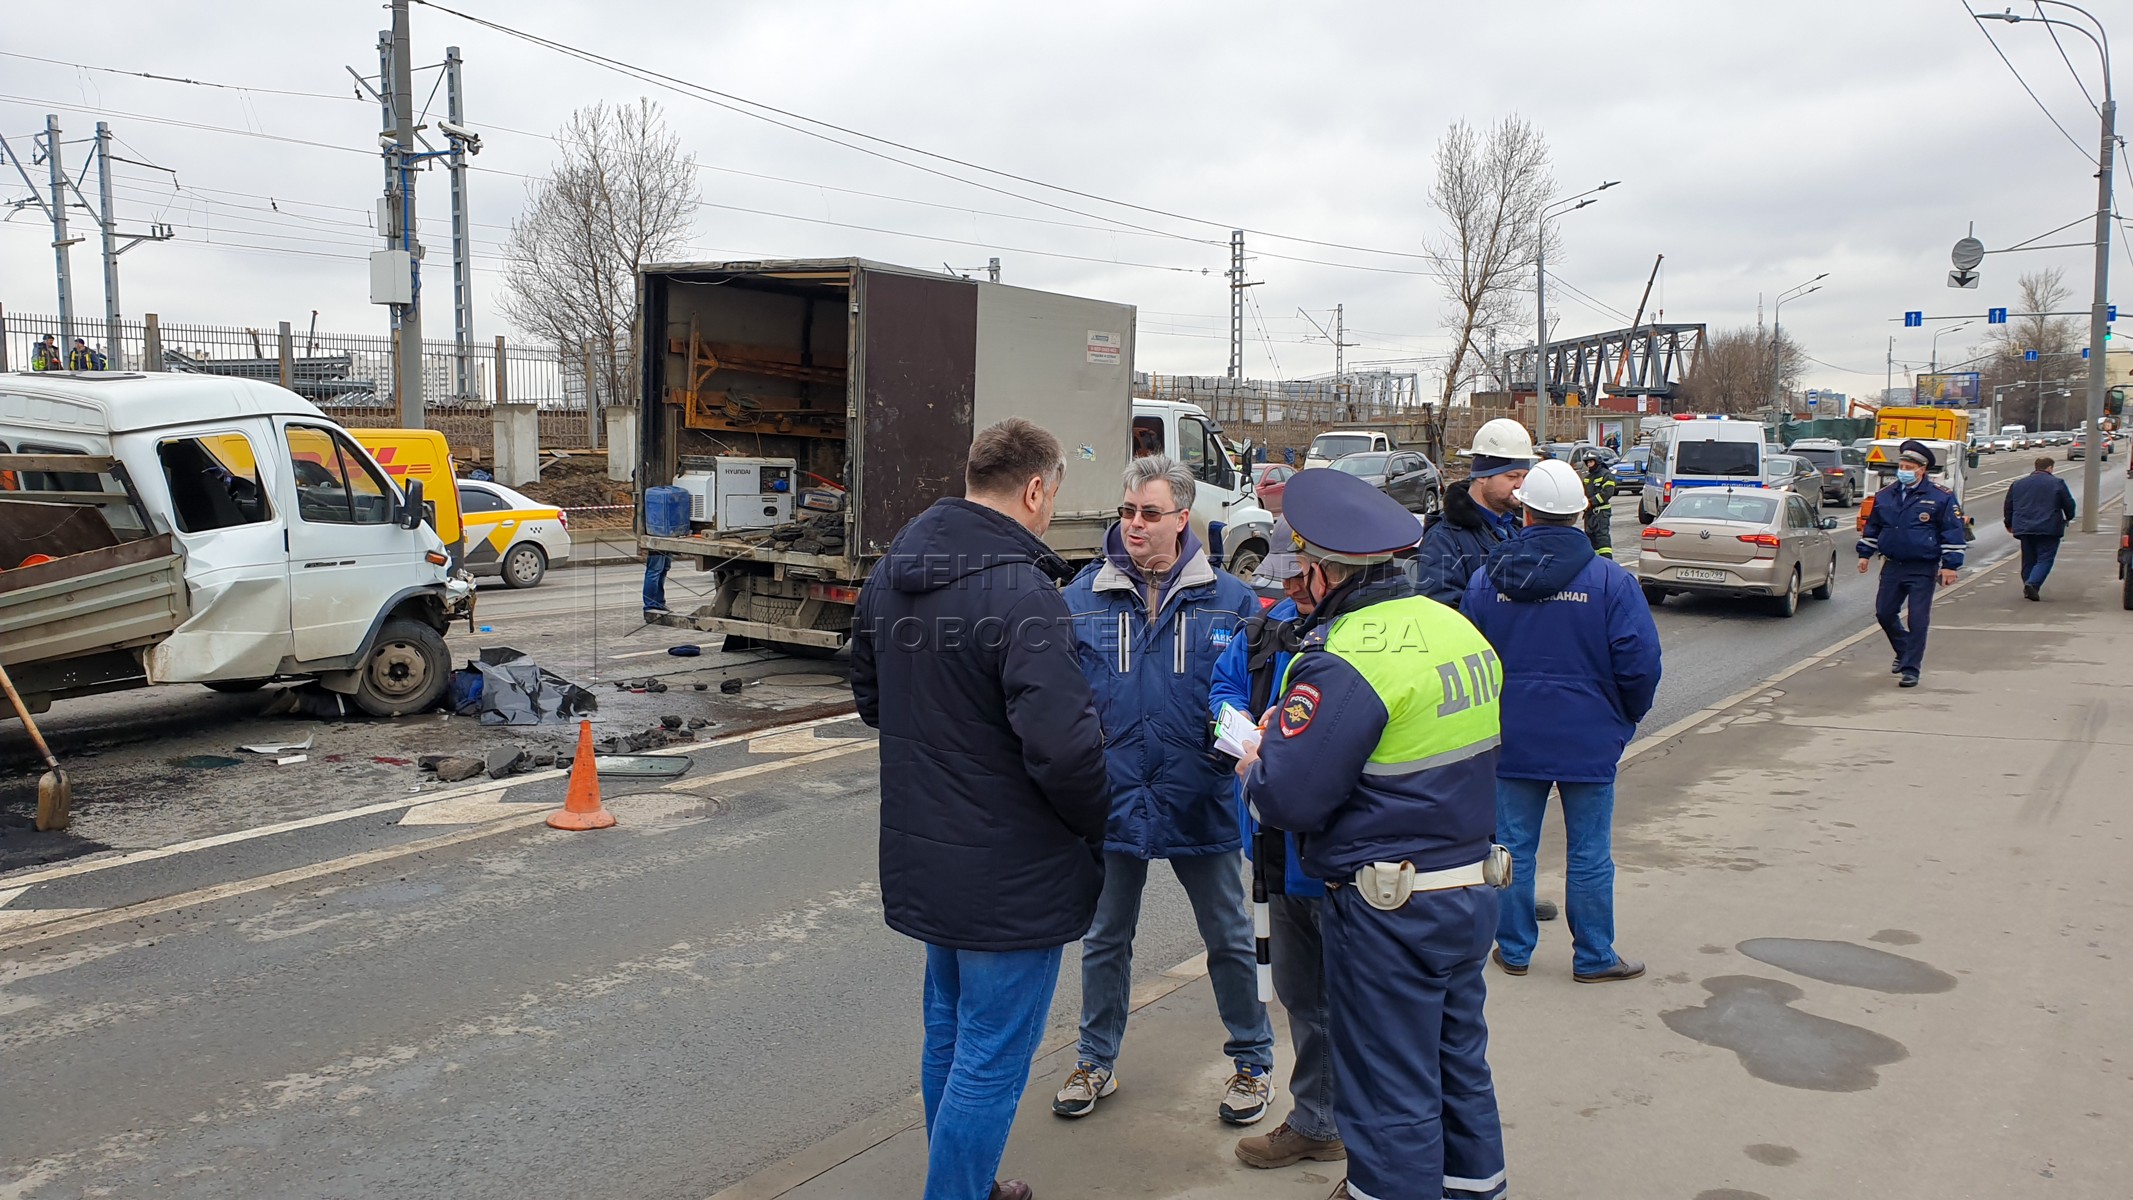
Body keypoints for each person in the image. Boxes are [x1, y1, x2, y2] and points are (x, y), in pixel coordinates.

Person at [849, 418, 1112, 1200]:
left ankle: (967, 1181)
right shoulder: (1024, 591)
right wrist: (1095, 821)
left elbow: (870, 697)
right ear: (1035, 490)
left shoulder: (894, 569)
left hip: (928, 851)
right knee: (991, 1055)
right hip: (1012, 869)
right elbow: (1064, 751)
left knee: (950, 1033)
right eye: (1053, 493)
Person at [1238, 466, 1509, 1200]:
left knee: (1386, 1089)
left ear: (1325, 573)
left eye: (1301, 568)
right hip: (1471, 889)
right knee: (1459, 1069)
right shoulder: (1452, 628)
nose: (1294, 582)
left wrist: (1262, 759)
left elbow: (1288, 799)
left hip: (1388, 909)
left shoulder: (1346, 658)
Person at [1054, 453, 1275, 1126]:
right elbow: (1062, 700)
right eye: (1127, 512)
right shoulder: (1080, 597)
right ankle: (1095, 1060)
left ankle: (1252, 1065)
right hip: (1113, 796)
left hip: (1197, 794)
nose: (1136, 526)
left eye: (1150, 513)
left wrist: (1234, 757)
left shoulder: (1231, 603)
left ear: (1184, 518)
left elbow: (1242, 698)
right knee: (1103, 938)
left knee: (1230, 937)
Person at [1463, 459, 1661, 984]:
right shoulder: (1610, 582)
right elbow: (1640, 664)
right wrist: (1622, 719)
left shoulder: (1488, 581)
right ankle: (1595, 955)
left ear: (1525, 513)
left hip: (1511, 740)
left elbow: (1467, 664)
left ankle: (1514, 948)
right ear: (1582, 513)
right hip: (1589, 738)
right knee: (1591, 852)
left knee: (1511, 848)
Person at [1208, 518, 1345, 1172]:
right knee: (1301, 998)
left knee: (1363, 1006)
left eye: (1300, 574)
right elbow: (1221, 696)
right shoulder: (1263, 632)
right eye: (1283, 577)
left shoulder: (1356, 636)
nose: (1292, 586)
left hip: (1344, 861)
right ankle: (1316, 1120)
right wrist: (1245, 741)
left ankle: (1374, 1143)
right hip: (1272, 851)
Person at [1858, 439, 1965, 688]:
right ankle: (1904, 649)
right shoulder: (1885, 496)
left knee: (1917, 619)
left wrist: (1950, 565)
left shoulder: (1940, 497)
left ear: (1922, 470)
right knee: (1884, 613)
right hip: (1893, 565)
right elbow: (1873, 527)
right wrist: (1865, 554)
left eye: (1909, 467)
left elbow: (1952, 531)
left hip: (1923, 567)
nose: (1904, 471)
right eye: (1902, 466)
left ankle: (1911, 668)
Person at [1414, 418, 1534, 609]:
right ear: (1482, 477)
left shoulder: (1517, 528)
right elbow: (1439, 611)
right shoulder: (1444, 538)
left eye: (1524, 476)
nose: (1520, 485)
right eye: (1512, 476)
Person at [2004, 456, 2076, 601]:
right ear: (2050, 468)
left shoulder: (2018, 484)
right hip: (2048, 527)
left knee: (2028, 559)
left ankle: (2028, 586)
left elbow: (2009, 506)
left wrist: (2009, 524)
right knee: (2045, 558)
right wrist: (2068, 517)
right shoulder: (2057, 483)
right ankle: (2032, 583)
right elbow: (2068, 504)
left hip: (2024, 527)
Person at [1579, 451, 1617, 559]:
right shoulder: (1587, 478)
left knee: (1602, 539)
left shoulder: (1606, 475)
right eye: (1587, 462)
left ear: (1597, 461)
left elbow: (1607, 492)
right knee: (1591, 539)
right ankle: (1595, 562)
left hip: (1601, 513)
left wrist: (1591, 502)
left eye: (1591, 461)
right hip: (1589, 514)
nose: (1589, 464)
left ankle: (1607, 563)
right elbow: (1583, 493)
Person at [642, 551, 671, 617]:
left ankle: (659, 603)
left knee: (663, 570)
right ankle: (650, 606)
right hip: (656, 546)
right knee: (654, 571)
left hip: (666, 545)